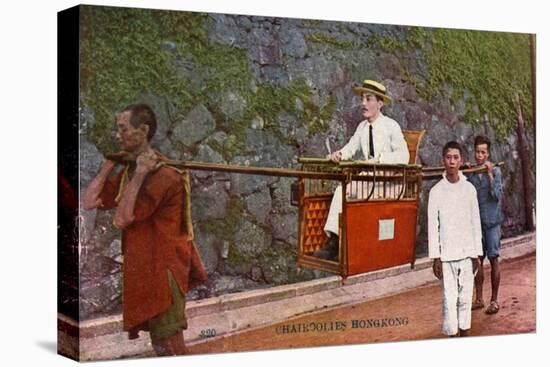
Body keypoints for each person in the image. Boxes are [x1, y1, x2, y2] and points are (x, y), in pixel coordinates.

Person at [82, 103, 207, 356]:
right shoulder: (130, 170)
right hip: (146, 268)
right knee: (160, 346)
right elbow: (89, 201)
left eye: (123, 129)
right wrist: (108, 166)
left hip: (164, 270)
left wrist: (140, 174)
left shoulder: (165, 175)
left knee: (171, 345)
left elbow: (122, 218)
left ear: (143, 131)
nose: (118, 135)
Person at [314, 80, 409, 261]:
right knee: (342, 190)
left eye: (368, 99)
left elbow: (403, 156)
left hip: (389, 183)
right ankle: (335, 243)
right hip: (369, 181)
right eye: (362, 99)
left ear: (379, 104)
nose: (363, 103)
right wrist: (339, 155)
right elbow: (350, 148)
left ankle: (349, 245)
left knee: (349, 191)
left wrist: (379, 161)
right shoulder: (362, 127)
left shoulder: (391, 126)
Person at [428, 141, 482, 337]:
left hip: (467, 252)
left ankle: (465, 334)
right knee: (449, 299)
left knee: (466, 297)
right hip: (447, 255)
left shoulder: (469, 189)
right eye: (448, 158)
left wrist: (477, 254)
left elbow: (475, 221)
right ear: (443, 160)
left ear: (461, 161)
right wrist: (436, 257)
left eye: (455, 158)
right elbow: (433, 226)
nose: (452, 162)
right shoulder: (436, 191)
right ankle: (452, 334)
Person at [467, 135, 504, 315]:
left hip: (492, 222)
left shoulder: (496, 171)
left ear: (487, 154)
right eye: (477, 152)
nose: (480, 155)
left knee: (494, 258)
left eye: (483, 152)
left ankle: (494, 300)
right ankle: (479, 298)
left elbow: (497, 195)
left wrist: (489, 174)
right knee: (477, 260)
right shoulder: (471, 173)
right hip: (477, 223)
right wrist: (464, 171)